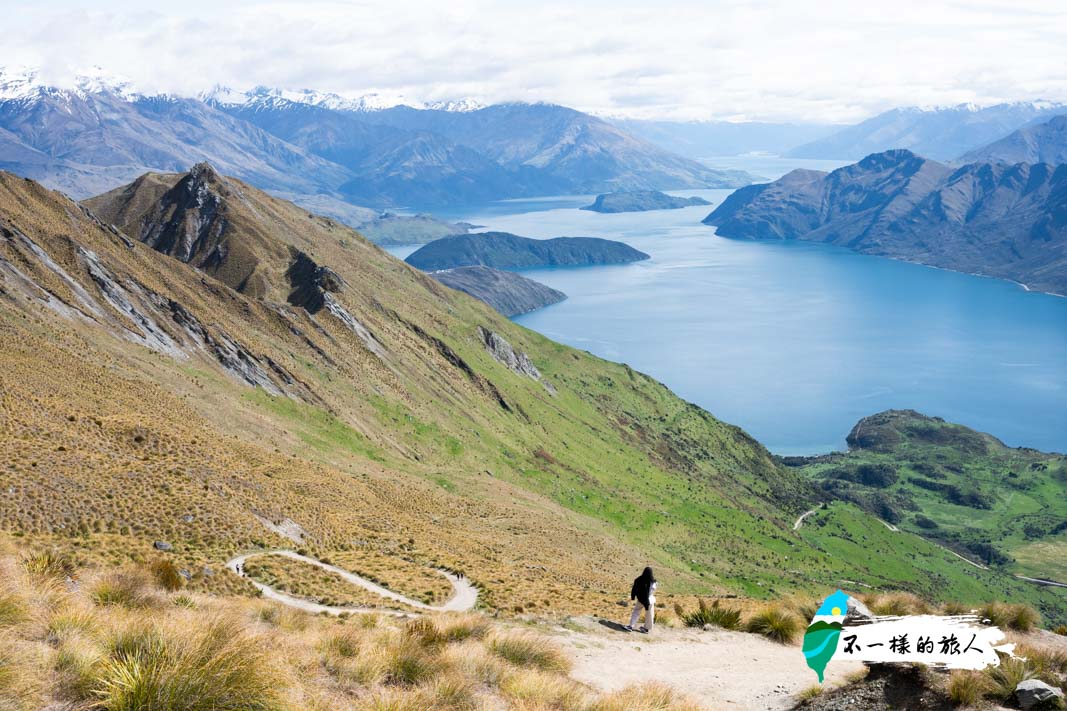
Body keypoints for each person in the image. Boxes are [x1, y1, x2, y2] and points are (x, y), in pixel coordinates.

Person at [626, 566, 657, 633]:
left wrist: (633, 597)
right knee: (650, 615)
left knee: (636, 612)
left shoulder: (639, 579)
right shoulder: (653, 582)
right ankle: (646, 628)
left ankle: (631, 626)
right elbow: (653, 590)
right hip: (650, 600)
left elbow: (634, 588)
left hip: (641, 599)